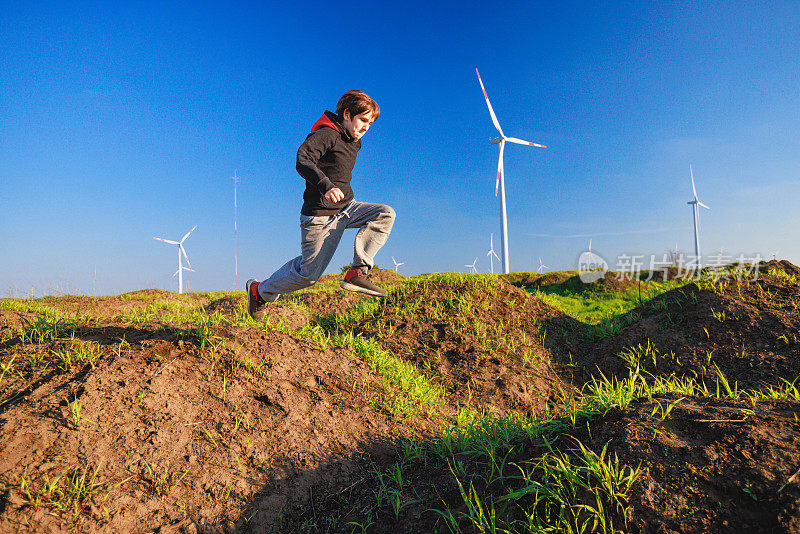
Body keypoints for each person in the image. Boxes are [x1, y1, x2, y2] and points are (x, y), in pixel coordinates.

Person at [246, 90, 396, 321]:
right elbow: (303, 159)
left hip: (348, 208)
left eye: (371, 123)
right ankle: (259, 291)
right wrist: (326, 186)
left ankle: (357, 271)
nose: (367, 127)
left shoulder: (354, 143)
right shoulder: (327, 134)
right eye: (363, 120)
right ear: (347, 114)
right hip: (320, 216)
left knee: (385, 214)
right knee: (308, 275)